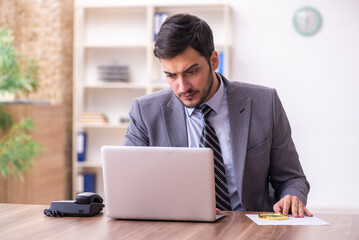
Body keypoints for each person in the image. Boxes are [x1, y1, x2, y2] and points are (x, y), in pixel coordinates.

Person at [123, 13, 312, 218]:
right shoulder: (145, 112)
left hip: (251, 229)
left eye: (192, 72)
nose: (182, 86)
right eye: (171, 75)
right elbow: (129, 187)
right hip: (179, 228)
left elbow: (292, 179)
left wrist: (292, 196)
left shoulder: (266, 102)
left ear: (213, 61)